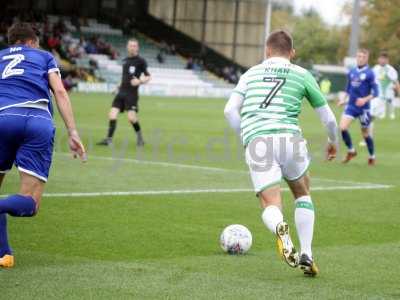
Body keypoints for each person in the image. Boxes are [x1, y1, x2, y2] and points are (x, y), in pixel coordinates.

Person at [224, 30, 338, 276]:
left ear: (267, 51)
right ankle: (306, 253)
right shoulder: (301, 74)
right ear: (292, 53)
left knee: (270, 202)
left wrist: (246, 137)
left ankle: (280, 228)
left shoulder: (250, 73)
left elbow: (229, 110)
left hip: (259, 141)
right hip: (291, 140)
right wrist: (332, 141)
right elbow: (328, 117)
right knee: (302, 190)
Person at [0, 23, 86, 268]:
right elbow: (59, 91)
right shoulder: (44, 56)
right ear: (31, 42)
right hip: (37, 121)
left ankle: (4, 253)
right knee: (30, 203)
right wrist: (72, 132)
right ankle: (4, 253)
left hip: (3, 118)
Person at [97, 38, 151, 147]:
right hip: (121, 92)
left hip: (132, 94)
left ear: (137, 47)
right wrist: (117, 87)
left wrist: (140, 81)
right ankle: (109, 139)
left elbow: (148, 76)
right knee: (112, 115)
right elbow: (124, 77)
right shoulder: (125, 61)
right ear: (127, 47)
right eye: (130, 45)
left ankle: (140, 138)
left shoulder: (141, 61)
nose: (132, 47)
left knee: (131, 118)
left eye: (134, 46)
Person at [338, 49, 379, 165]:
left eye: (363, 57)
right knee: (342, 128)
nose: (360, 58)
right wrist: (343, 99)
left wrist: (364, 99)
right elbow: (348, 88)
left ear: (367, 58)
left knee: (365, 134)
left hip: (364, 109)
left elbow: (376, 92)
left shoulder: (370, 73)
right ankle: (351, 150)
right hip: (351, 106)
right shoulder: (351, 71)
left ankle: (372, 156)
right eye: (358, 56)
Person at [372, 52, 399, 120]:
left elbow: (395, 81)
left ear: (387, 60)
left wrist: (398, 90)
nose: (382, 60)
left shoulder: (390, 69)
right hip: (378, 90)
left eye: (384, 59)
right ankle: (380, 114)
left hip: (388, 89)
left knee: (390, 101)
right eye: (381, 58)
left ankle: (392, 113)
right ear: (378, 59)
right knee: (379, 101)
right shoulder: (375, 68)